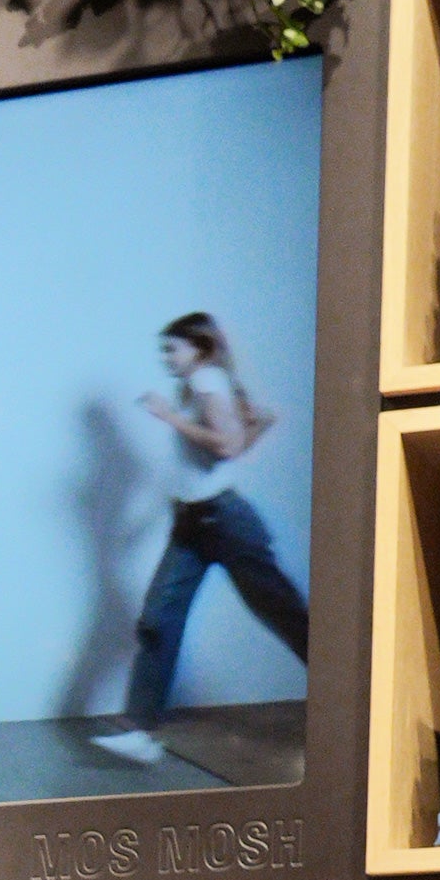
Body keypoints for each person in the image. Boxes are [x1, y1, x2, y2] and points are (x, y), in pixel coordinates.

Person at [98, 310, 308, 763]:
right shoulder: (203, 384)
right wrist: (258, 424)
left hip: (224, 522)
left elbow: (225, 446)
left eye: (172, 349)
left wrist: (170, 418)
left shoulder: (207, 381)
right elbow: (228, 450)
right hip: (195, 521)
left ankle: (352, 695)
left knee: (284, 613)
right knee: (160, 617)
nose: (165, 357)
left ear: (198, 349)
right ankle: (140, 729)